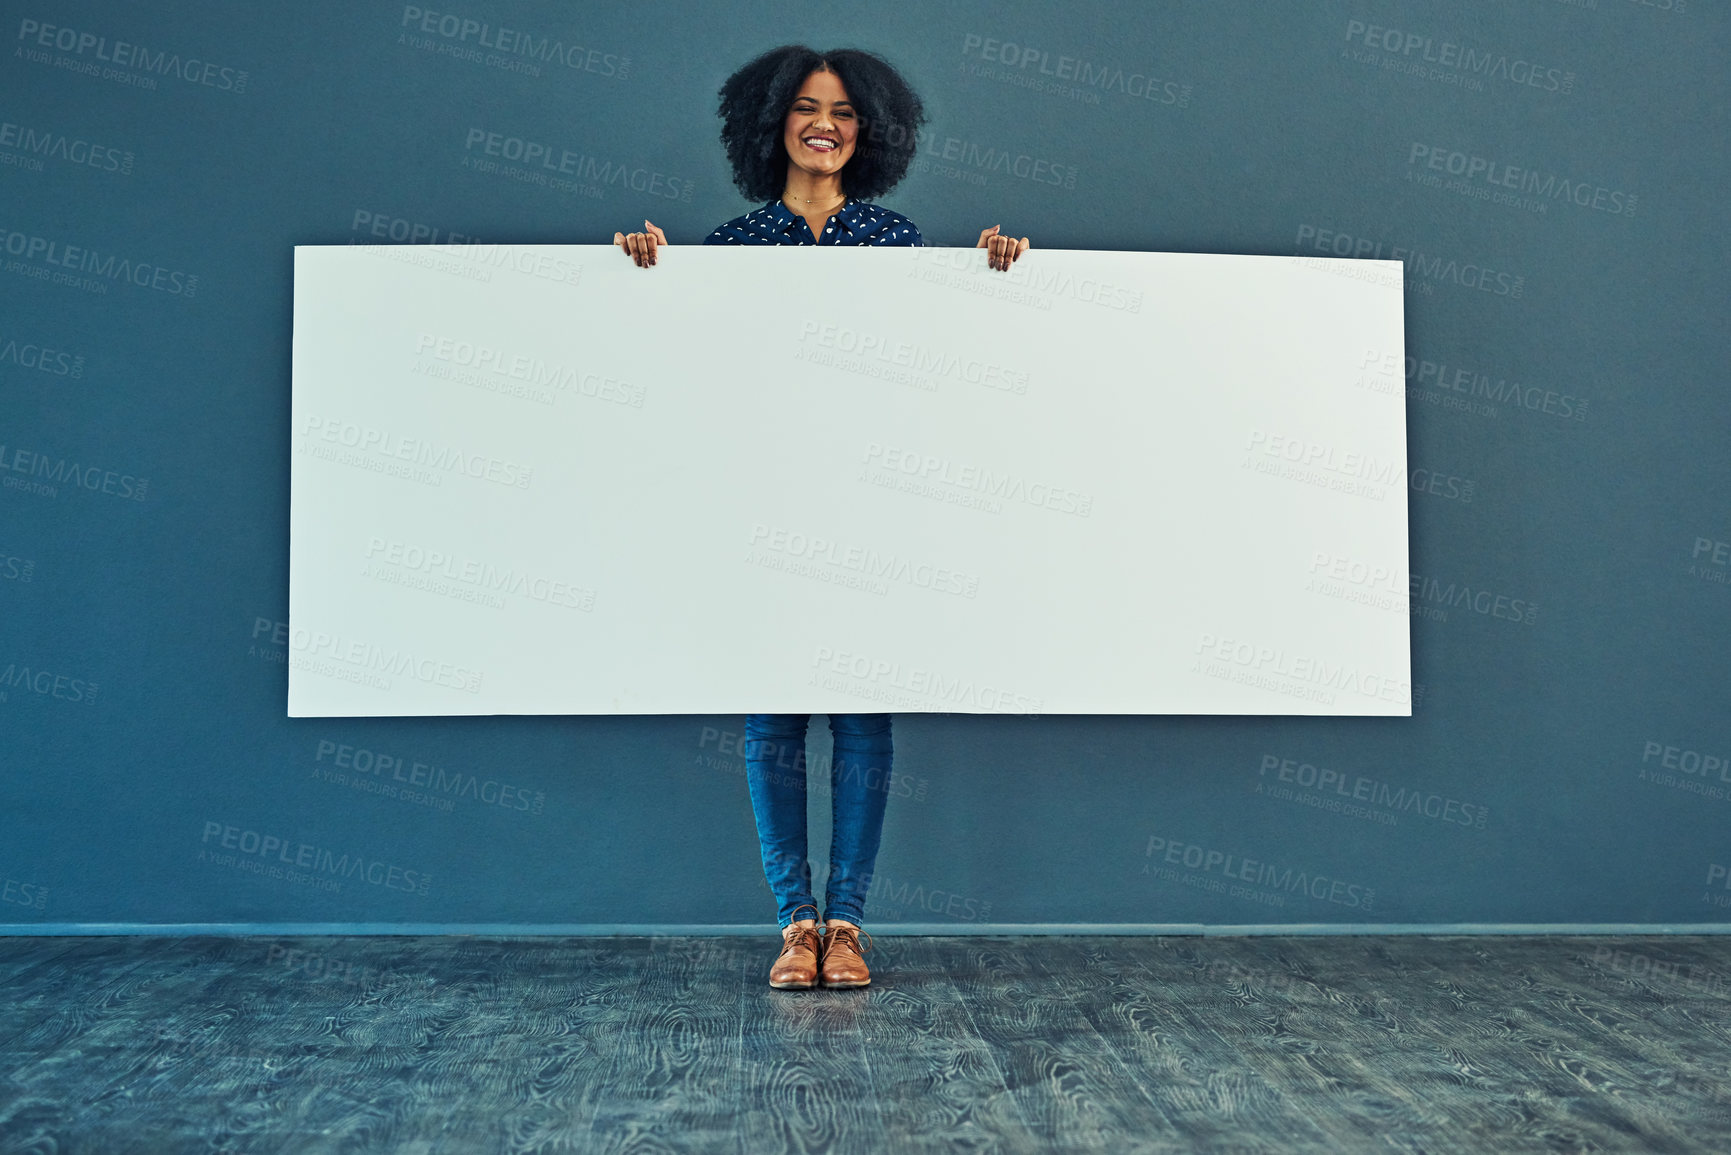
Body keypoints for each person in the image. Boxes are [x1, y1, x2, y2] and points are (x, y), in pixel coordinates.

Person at [612, 44, 1030, 990]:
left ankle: (847, 923)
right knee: (772, 720)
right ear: (773, 124)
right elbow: (692, 375)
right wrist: (646, 280)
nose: (825, 125)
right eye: (806, 107)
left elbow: (933, 367)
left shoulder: (893, 239)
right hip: (763, 507)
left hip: (868, 508)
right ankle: (792, 923)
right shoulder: (731, 246)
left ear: (867, 131)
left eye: (843, 112)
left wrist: (999, 281)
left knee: (862, 722)